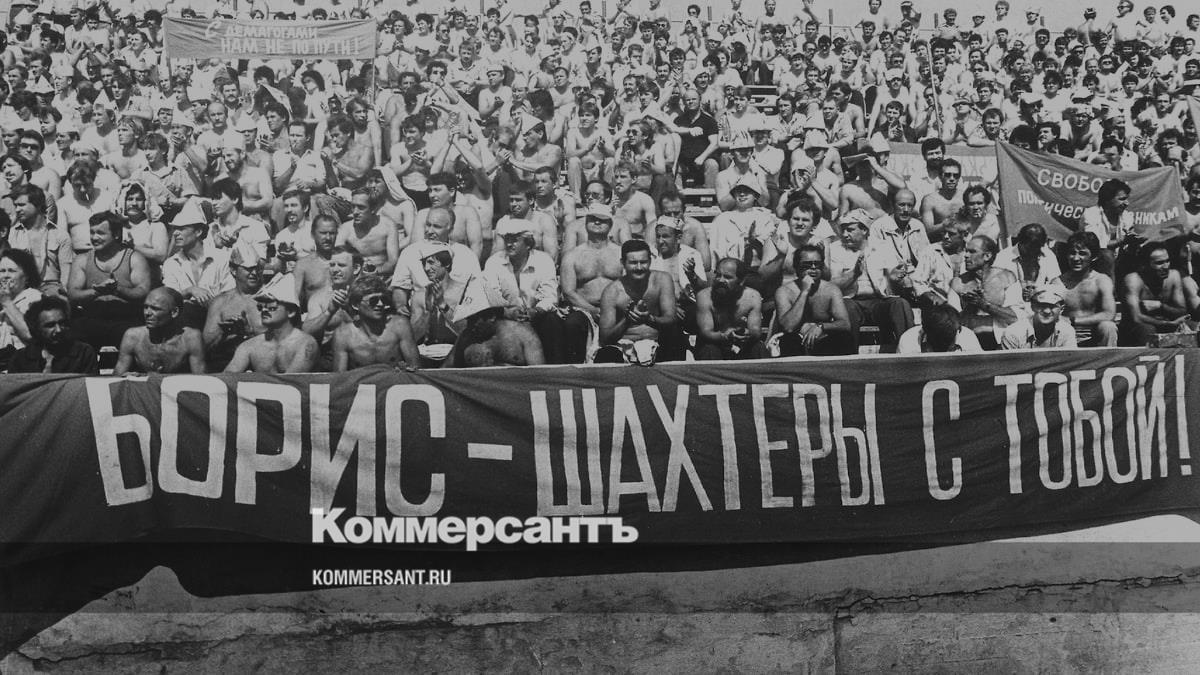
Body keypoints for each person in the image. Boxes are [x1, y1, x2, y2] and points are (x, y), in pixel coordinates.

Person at [65, 211, 151, 349]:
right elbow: (73, 294)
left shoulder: (134, 258)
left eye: (100, 233)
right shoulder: (82, 259)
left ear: (116, 234)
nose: (94, 237)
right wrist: (97, 291)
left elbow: (143, 291)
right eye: (92, 232)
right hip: (92, 317)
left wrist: (117, 290)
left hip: (126, 318)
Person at [596, 239, 677, 363]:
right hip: (624, 345)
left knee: (676, 337)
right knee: (606, 354)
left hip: (656, 343)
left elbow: (670, 319)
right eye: (633, 263)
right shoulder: (612, 291)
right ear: (623, 263)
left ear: (650, 261)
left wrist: (649, 319)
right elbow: (605, 338)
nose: (639, 267)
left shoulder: (662, 280)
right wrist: (627, 320)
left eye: (643, 262)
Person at [224, 275, 319, 373]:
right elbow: (228, 377)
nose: (264, 310)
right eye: (261, 307)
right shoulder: (250, 346)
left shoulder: (306, 344)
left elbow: (292, 380)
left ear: (291, 312)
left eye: (271, 307)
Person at [444, 279, 547, 367]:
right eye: (469, 319)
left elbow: (539, 374)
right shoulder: (467, 336)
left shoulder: (523, 334)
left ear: (491, 317)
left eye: (476, 319)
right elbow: (444, 370)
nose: (472, 325)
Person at [773, 244, 854, 356]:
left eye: (817, 264)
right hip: (795, 340)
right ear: (796, 267)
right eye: (807, 265)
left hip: (822, 339)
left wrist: (821, 327)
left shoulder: (831, 290)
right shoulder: (784, 291)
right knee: (789, 340)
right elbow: (788, 327)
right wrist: (804, 292)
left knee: (844, 338)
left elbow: (845, 324)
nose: (813, 268)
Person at [331, 276, 421, 372]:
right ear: (356, 305)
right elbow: (340, 377)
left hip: (394, 380)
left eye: (383, 299)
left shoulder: (399, 325)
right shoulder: (343, 335)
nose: (380, 304)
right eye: (373, 301)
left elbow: (415, 370)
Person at [951, 235, 1022, 349]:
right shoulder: (958, 283)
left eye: (972, 252)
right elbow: (951, 322)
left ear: (987, 256)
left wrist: (984, 304)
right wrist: (971, 307)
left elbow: (1015, 318)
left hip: (1001, 342)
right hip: (968, 344)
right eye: (966, 251)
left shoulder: (1007, 278)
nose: (966, 255)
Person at [113, 287, 206, 375]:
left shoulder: (191, 338)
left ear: (174, 312)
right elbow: (116, 378)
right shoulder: (133, 336)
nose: (147, 313)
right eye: (145, 307)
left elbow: (201, 379)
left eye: (155, 308)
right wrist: (126, 377)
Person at [202, 247, 266, 372]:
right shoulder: (220, 302)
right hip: (226, 362)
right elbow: (205, 346)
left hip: (261, 364)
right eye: (248, 269)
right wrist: (223, 332)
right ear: (233, 270)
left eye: (257, 268)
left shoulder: (271, 297)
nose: (254, 273)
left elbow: (282, 339)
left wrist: (249, 333)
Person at [694, 257, 766, 360]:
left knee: (758, 348)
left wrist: (747, 333)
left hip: (742, 345)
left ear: (741, 281)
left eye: (727, 277)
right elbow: (706, 332)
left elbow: (755, 330)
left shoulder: (753, 296)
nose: (721, 280)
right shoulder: (704, 296)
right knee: (709, 350)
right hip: (715, 344)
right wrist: (725, 336)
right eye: (718, 275)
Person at [1121, 241, 1191, 345]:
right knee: (1147, 329)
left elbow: (1182, 311)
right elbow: (1136, 317)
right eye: (1159, 263)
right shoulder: (1133, 280)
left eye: (1167, 261)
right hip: (1137, 328)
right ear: (1144, 265)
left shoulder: (1174, 276)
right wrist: (1167, 323)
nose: (1166, 266)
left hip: (1165, 323)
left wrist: (1161, 307)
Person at [8, 295, 99, 374]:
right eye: (50, 325)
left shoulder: (83, 353)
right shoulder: (21, 358)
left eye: (62, 323)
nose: (59, 330)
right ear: (36, 328)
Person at [1057, 232, 1118, 347]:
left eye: (1082, 253)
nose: (1076, 258)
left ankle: (1106, 358)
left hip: (1093, 333)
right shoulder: (1058, 282)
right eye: (1072, 253)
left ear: (1093, 256)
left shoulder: (1101, 280)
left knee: (1108, 327)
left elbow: (1109, 314)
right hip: (1066, 334)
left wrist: (1073, 320)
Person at [0, 249, 43, 370]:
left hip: (24, 367)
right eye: (2, 271)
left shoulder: (35, 298)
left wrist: (6, 302)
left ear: (26, 276)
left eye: (12, 271)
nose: (5, 276)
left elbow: (30, 335)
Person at [1001, 285, 1078, 350]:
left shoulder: (1066, 331)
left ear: (1061, 309)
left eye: (1052, 306)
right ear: (1032, 306)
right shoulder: (1013, 333)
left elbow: (1070, 361)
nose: (1047, 311)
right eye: (1042, 305)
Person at [896, 304, 983, 354]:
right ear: (925, 330)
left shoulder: (968, 336)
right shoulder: (909, 339)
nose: (943, 346)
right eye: (938, 341)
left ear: (959, 330)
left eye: (948, 340)